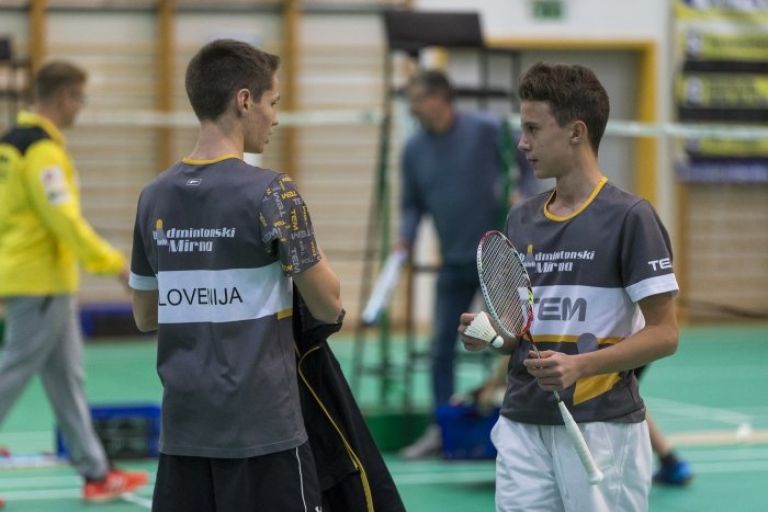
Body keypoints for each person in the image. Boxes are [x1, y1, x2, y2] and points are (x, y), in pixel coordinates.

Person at [129, 39, 343, 511]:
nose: (276, 118)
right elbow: (329, 305)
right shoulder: (274, 193)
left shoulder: (153, 196)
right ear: (244, 100)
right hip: (264, 433)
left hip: (184, 433)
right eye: (273, 103)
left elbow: (145, 315)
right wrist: (301, 238)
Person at [459, 62, 680, 511]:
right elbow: (519, 334)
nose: (522, 143)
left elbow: (665, 334)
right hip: (521, 422)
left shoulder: (630, 218)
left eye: (533, 129)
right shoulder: (521, 219)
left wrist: (581, 366)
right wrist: (491, 335)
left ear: (576, 131)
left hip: (601, 427)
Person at [0, 61, 148, 504]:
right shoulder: (41, 150)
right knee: (12, 374)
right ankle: (95, 470)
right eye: (80, 99)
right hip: (40, 282)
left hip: (39, 278)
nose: (81, 108)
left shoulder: (11, 143)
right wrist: (115, 264)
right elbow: (63, 219)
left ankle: (95, 472)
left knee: (67, 380)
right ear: (64, 97)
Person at [397, 69, 507, 459]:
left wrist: (524, 202)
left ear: (441, 97)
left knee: (510, 343)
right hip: (454, 261)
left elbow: (525, 170)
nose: (411, 108)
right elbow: (411, 205)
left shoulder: (489, 130)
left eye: (417, 99)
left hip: (497, 262)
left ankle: (511, 428)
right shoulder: (413, 150)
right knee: (440, 346)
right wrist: (405, 238)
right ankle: (441, 429)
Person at [475, 359, 694, 486]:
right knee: (626, 395)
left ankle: (602, 471)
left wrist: (492, 385)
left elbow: (517, 350)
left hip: (618, 344)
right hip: (629, 339)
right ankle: (671, 462)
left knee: (611, 396)